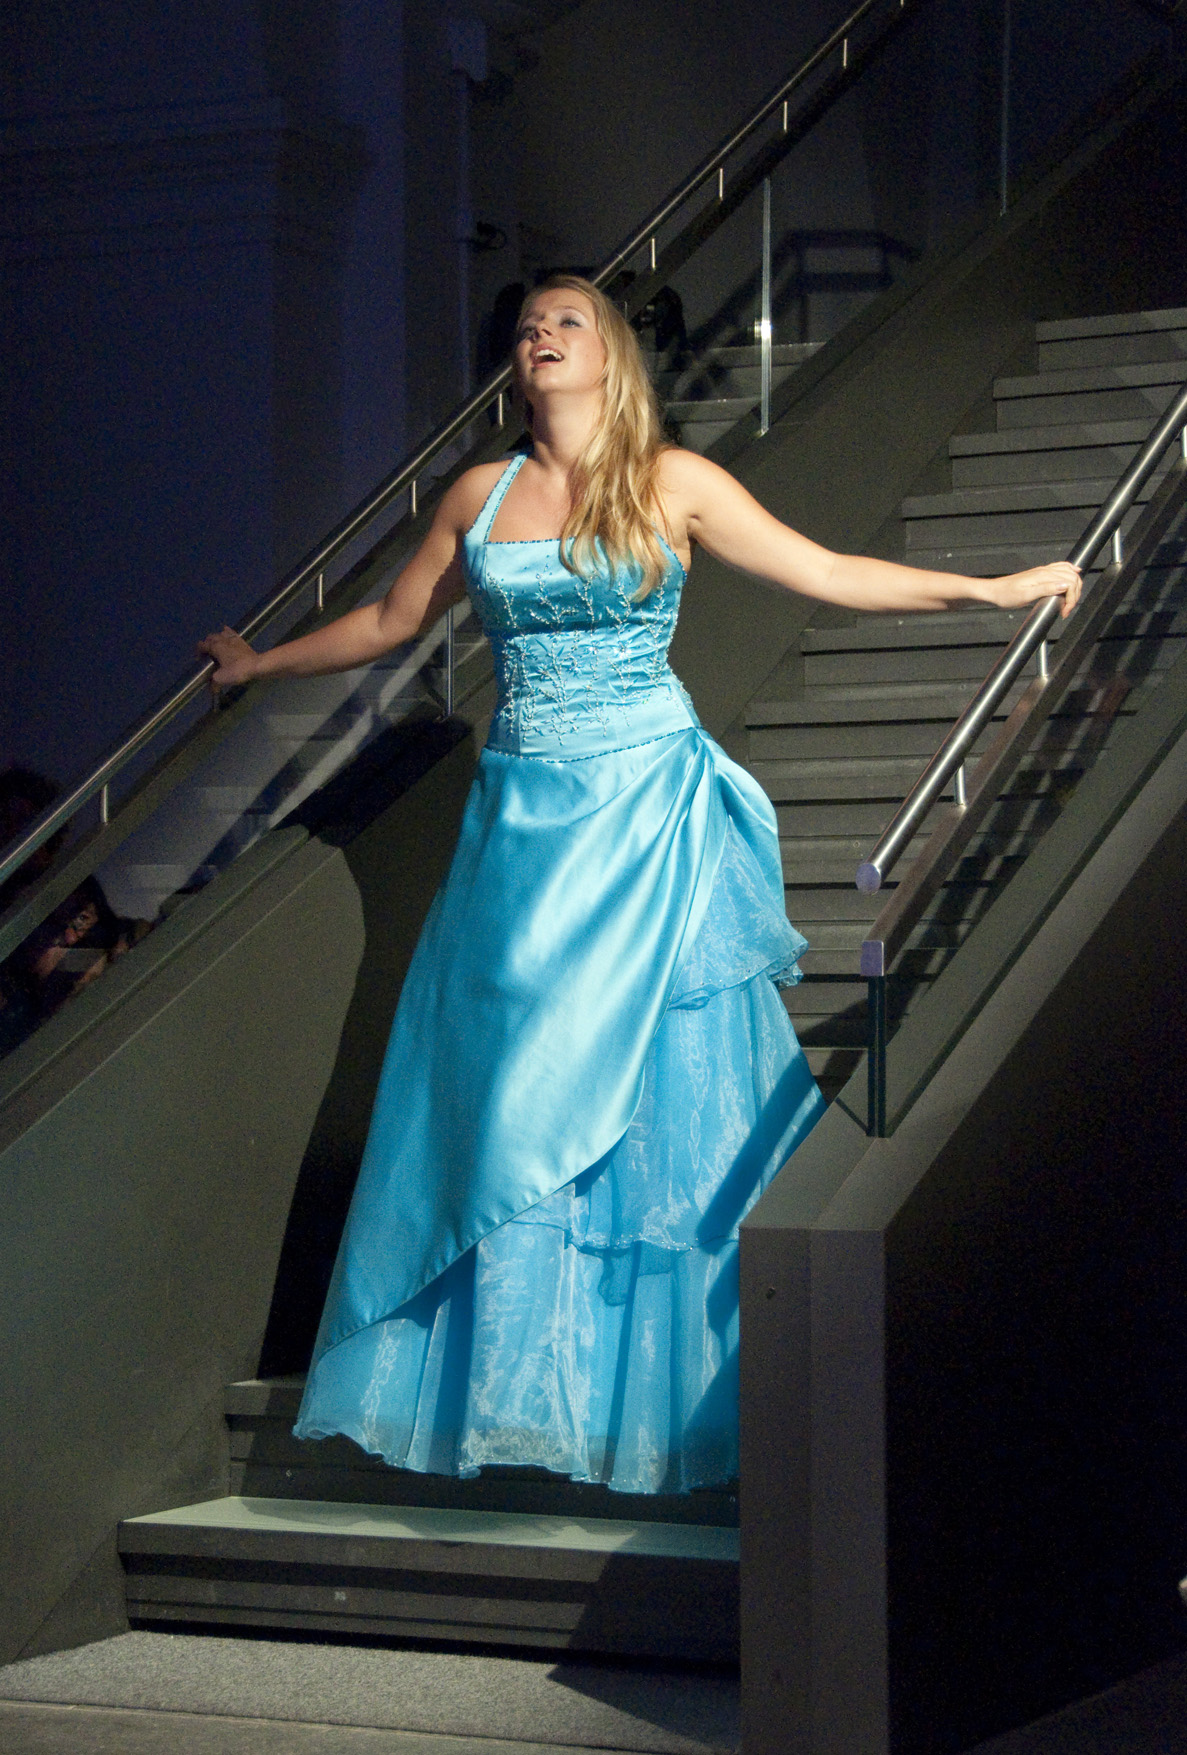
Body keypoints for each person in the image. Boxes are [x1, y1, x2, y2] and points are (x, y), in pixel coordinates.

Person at [200, 275, 1081, 1495]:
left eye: (566, 319)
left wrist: (986, 590)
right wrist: (260, 666)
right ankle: (519, 1387)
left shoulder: (672, 481)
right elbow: (391, 621)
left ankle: (678, 1390)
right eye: (526, 325)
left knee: (670, 1088)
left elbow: (822, 571)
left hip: (646, 810)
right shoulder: (478, 493)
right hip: (521, 831)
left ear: (610, 352)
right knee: (512, 1090)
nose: (540, 333)